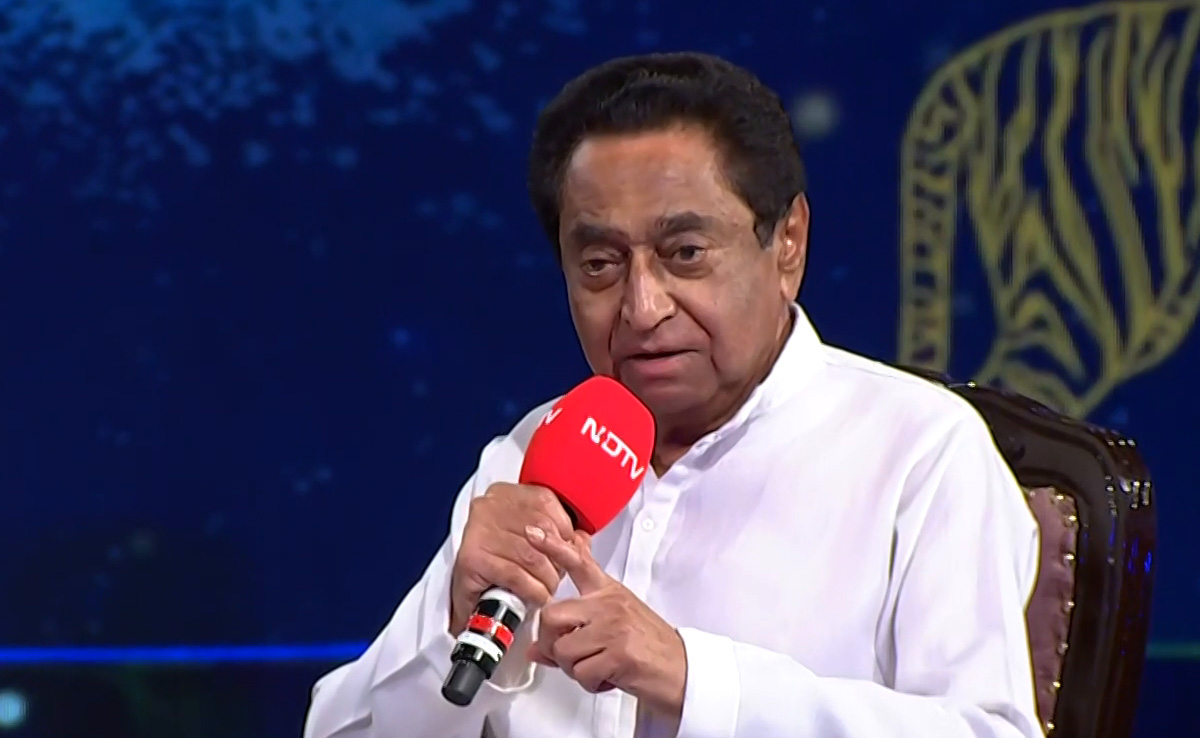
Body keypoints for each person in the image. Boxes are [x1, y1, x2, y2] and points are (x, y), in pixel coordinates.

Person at [302, 52, 1042, 738]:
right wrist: (451, 625)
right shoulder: (532, 455)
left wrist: (695, 679)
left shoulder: (920, 451)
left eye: (684, 254)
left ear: (788, 242)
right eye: (600, 263)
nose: (642, 307)